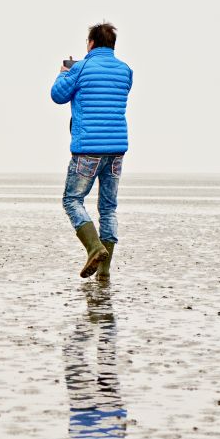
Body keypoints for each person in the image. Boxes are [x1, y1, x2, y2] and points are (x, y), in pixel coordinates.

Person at [50, 22, 133, 281]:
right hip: (116, 149)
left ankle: (94, 248)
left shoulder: (82, 68)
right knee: (108, 208)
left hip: (88, 148)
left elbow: (57, 95)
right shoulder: (126, 71)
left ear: (91, 43)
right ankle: (104, 271)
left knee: (72, 200)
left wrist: (64, 73)